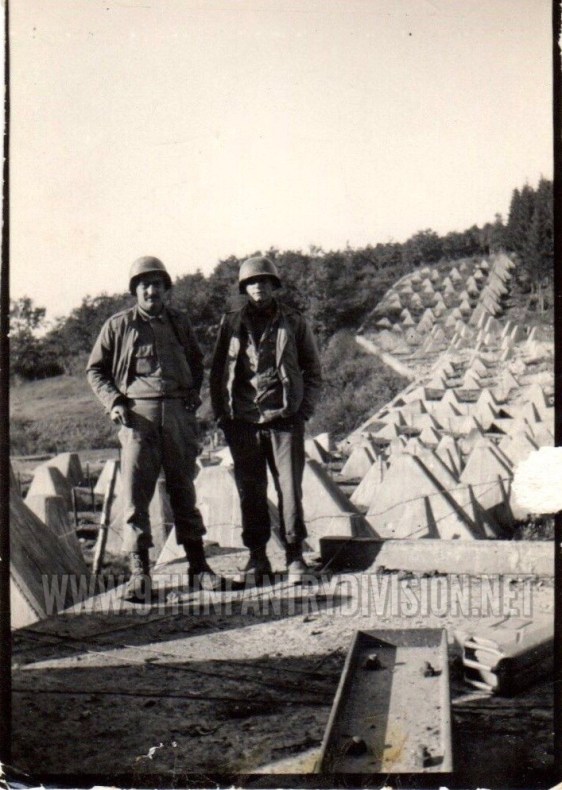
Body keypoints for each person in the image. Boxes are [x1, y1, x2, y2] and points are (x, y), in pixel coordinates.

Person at [87, 256, 222, 601]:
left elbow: (196, 361)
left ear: (165, 288)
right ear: (135, 291)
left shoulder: (179, 322)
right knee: (137, 496)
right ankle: (139, 574)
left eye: (157, 284)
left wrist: (192, 395)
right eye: (144, 285)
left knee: (184, 491)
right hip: (138, 417)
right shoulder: (118, 325)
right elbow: (96, 370)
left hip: (177, 414)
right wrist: (114, 402)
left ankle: (198, 567)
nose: (151, 290)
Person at [210, 256, 322, 585]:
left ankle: (294, 555)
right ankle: (257, 557)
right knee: (251, 491)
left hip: (284, 420)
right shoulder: (230, 323)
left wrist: (303, 410)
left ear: (274, 285)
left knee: (290, 489)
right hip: (243, 421)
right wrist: (222, 416)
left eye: (264, 281)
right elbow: (217, 375)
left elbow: (313, 371)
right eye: (252, 283)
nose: (259, 287)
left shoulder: (293, 321)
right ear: (245, 288)